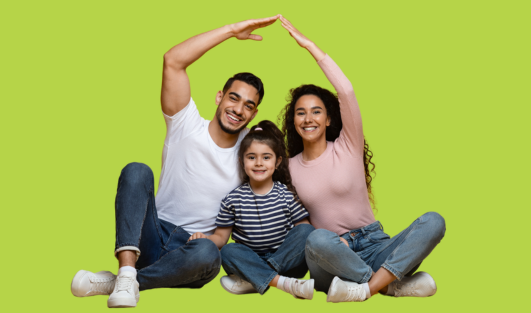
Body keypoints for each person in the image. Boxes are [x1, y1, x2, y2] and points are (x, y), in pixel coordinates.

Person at [70, 15, 281, 308]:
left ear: (254, 114)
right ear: (219, 97)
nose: (238, 109)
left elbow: (280, 168)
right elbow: (173, 60)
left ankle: (123, 280)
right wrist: (232, 31)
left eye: (249, 106)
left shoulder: (251, 152)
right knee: (136, 171)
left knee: (210, 254)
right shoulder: (186, 122)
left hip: (193, 251)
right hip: (153, 235)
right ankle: (129, 270)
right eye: (233, 98)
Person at [278, 16, 446, 302]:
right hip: (331, 254)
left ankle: (366, 288)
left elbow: (346, 91)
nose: (308, 118)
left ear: (329, 118)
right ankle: (390, 284)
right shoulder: (288, 168)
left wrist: (311, 48)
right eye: (301, 112)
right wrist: (332, 242)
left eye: (316, 111)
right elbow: (296, 223)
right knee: (316, 238)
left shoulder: (348, 145)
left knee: (433, 221)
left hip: (375, 244)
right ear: (293, 120)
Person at [188, 120, 316, 299]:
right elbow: (221, 238)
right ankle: (281, 282)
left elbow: (304, 233)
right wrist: (205, 238)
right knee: (227, 252)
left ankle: (256, 278)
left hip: (286, 261)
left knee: (307, 230)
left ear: (277, 161)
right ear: (242, 161)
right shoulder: (232, 199)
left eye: (266, 157)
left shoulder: (286, 195)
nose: (258, 163)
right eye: (251, 157)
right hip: (248, 259)